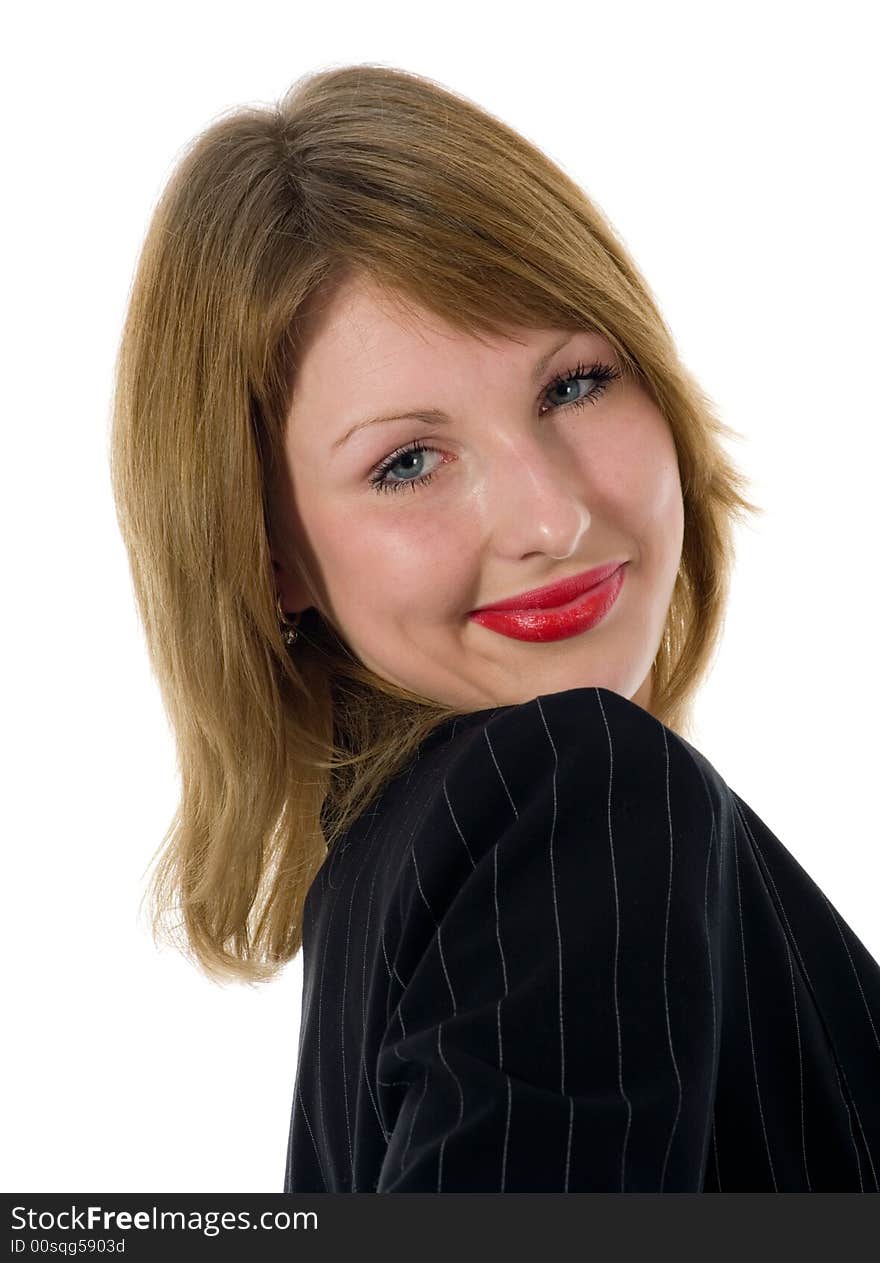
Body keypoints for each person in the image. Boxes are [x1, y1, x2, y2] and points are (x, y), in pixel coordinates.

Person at [108, 63, 880, 1193]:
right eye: (407, 461)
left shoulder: (399, 880)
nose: (551, 517)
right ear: (267, 559)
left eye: (572, 385)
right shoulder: (574, 793)